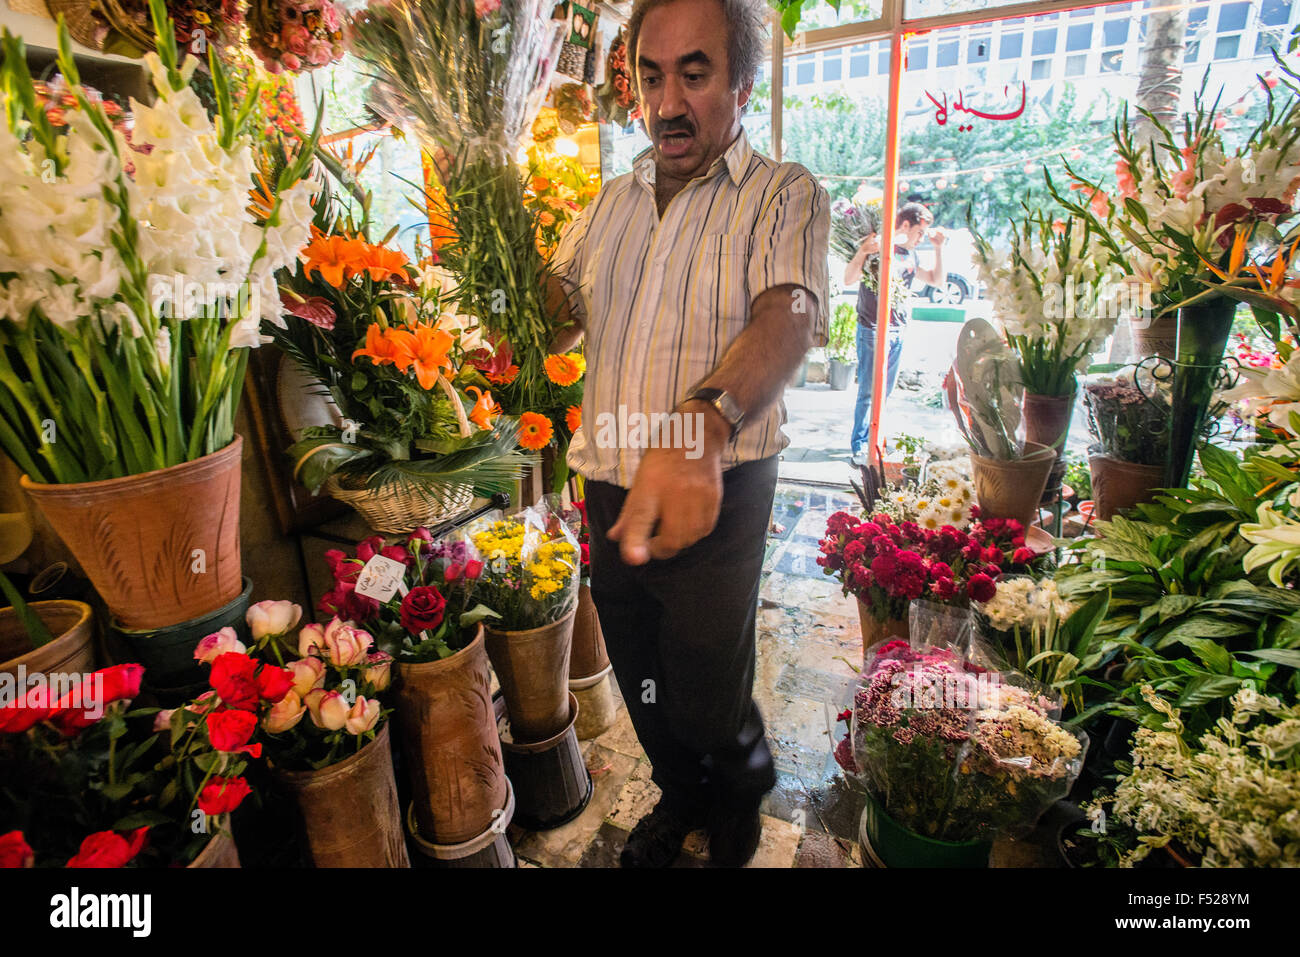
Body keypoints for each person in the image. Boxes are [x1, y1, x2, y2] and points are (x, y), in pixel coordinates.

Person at [544, 0, 829, 867]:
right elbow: (556, 319)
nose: (668, 102)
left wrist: (703, 423)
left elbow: (790, 314)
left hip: (722, 481)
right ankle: (681, 792)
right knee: (641, 668)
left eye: (695, 74)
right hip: (611, 483)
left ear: (742, 84)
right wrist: (513, 285)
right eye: (653, 74)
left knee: (706, 678)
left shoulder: (782, 192)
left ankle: (740, 783)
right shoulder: (608, 204)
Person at [843, 202, 944, 463]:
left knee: (885, 392)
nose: (921, 238)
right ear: (906, 224)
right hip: (872, 328)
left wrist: (938, 249)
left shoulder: (911, 255)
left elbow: (936, 281)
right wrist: (862, 252)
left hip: (899, 329)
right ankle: (859, 444)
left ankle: (874, 440)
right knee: (868, 391)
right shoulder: (877, 247)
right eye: (920, 232)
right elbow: (849, 278)